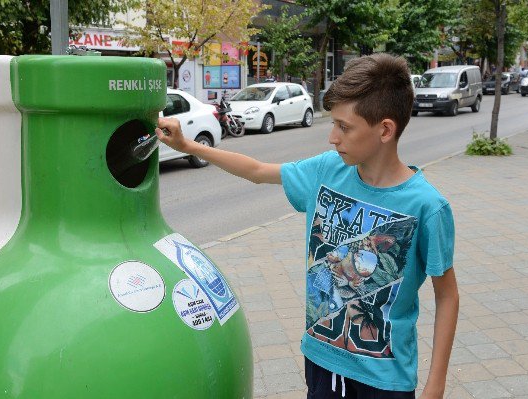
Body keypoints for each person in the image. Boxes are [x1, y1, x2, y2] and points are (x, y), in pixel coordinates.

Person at [156, 53, 459, 399]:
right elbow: (256, 171)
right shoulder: (327, 171)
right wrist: (187, 146)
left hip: (384, 378)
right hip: (321, 361)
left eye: (344, 127)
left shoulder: (427, 207)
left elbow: (447, 295)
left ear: (385, 130)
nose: (332, 137)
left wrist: (436, 386)